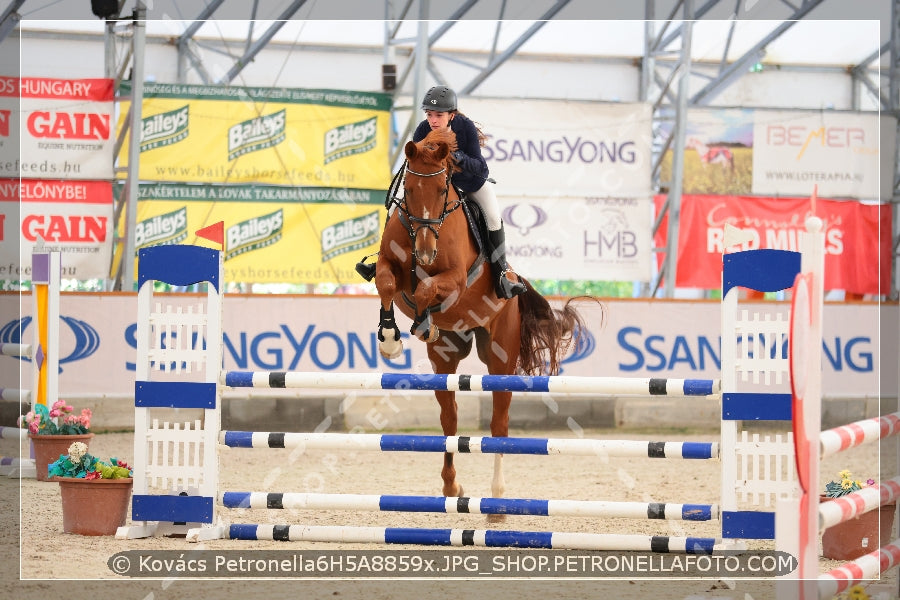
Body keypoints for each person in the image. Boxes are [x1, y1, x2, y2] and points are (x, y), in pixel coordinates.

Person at [411, 85, 525, 299]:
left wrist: (458, 157)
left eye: (439, 115)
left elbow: (482, 168)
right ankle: (382, 258)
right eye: (429, 115)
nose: (433, 120)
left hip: (471, 184)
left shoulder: (465, 128)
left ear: (451, 115)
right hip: (440, 188)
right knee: (403, 202)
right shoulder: (422, 131)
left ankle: (501, 274)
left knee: (493, 218)